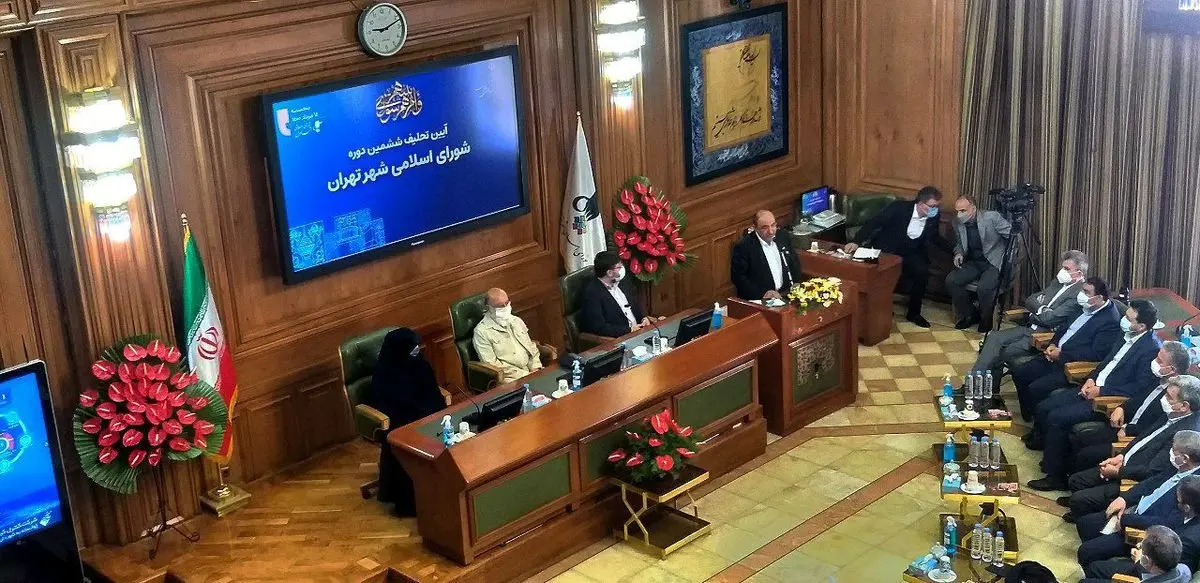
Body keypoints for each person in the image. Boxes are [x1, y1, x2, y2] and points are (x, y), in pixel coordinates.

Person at [1026, 301, 1165, 491]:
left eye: (1128, 318)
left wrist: (1102, 391)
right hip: (1092, 386)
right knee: (1045, 406)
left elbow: (1137, 388)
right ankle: (1049, 453)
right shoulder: (1125, 334)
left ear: (1141, 326)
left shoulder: (1151, 350)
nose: (1123, 320)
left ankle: (1055, 476)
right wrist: (1091, 378)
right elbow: (1106, 363)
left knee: (1057, 417)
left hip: (1107, 399)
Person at [1065, 378, 1200, 519]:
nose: (1163, 398)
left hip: (1134, 478)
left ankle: (1090, 517)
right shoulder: (1172, 414)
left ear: (1184, 406)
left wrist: (1118, 472)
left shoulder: (1184, 437)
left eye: (1169, 397)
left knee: (1080, 496)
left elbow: (1153, 471)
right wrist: (1121, 456)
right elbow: (1143, 437)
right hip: (1125, 462)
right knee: (1076, 480)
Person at [1067, 342, 1194, 471]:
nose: (1154, 362)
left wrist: (1128, 429)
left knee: (1086, 454)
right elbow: (1137, 399)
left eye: (1160, 361)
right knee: (1078, 437)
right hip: (1123, 424)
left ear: (1172, 370)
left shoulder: (1174, 397)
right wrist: (1121, 407)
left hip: (1132, 437)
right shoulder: (1157, 378)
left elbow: (1153, 426)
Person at [1011, 277, 1123, 422]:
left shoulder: (1110, 320)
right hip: (1053, 355)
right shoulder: (1082, 306)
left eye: (1087, 292)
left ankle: (1038, 424)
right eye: (1082, 290)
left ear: (1099, 298)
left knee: (1035, 388)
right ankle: (1029, 417)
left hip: (1070, 365)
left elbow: (1095, 354)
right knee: (1019, 373)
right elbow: (1063, 328)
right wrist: (1052, 344)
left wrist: (1062, 354)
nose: (1082, 295)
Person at [843, 186, 952, 328]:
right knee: (882, 275)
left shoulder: (933, 216)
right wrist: (856, 241)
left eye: (937, 206)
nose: (935, 210)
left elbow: (934, 237)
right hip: (889, 250)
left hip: (912, 252)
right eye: (932, 206)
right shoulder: (899, 208)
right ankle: (882, 309)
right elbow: (874, 222)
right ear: (920, 203)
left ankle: (914, 313)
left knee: (922, 273)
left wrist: (953, 250)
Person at [970, 250, 1089, 380]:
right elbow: (1031, 300)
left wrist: (1032, 315)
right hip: (1029, 327)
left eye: (1067, 269)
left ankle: (980, 385)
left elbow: (1051, 320)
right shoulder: (1057, 282)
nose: (1062, 271)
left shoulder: (1079, 294)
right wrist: (1042, 308)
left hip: (1043, 335)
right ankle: (977, 384)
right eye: (1062, 267)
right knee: (993, 338)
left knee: (1000, 351)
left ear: (1079, 273)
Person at [368, 328, 448, 515]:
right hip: (400, 424)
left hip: (428, 417)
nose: (416, 350)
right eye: (411, 347)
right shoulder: (384, 374)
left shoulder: (421, 365)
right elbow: (386, 407)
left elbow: (433, 395)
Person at [1083, 476, 1200, 581]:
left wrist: (1141, 559)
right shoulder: (1189, 512)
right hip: (1150, 549)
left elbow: (1169, 574)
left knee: (1094, 568)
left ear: (1187, 507)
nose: (1175, 502)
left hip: (1150, 568)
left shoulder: (1189, 539)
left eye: (1178, 500)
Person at [945, 195, 1012, 332]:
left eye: (963, 211)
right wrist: (958, 253)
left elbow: (1013, 237)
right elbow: (959, 243)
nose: (959, 215)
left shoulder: (991, 217)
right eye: (957, 211)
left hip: (993, 261)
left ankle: (986, 319)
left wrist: (1009, 258)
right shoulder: (957, 222)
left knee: (984, 287)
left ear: (973, 209)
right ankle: (970, 314)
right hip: (973, 261)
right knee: (951, 280)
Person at [472, 288, 543, 384]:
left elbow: (531, 347)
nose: (506, 307)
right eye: (501, 306)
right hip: (509, 379)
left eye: (507, 303)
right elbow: (492, 365)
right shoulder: (481, 332)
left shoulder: (516, 321)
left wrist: (535, 367)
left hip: (532, 371)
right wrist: (524, 375)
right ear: (489, 307)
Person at [730, 210, 803, 302]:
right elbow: (738, 278)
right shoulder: (744, 246)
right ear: (755, 228)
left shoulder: (783, 236)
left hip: (785, 294)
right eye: (765, 227)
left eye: (773, 225)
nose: (771, 231)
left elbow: (794, 263)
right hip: (760, 299)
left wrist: (796, 284)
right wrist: (763, 294)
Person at [578, 250, 654, 337]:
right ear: (609, 273)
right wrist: (629, 330)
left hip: (640, 332)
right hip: (619, 338)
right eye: (619, 267)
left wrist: (643, 318)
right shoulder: (592, 294)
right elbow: (599, 328)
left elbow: (634, 306)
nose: (622, 269)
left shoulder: (623, 282)